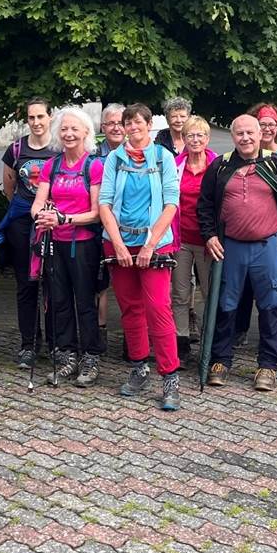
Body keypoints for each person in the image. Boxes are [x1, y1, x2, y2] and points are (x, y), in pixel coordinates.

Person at [197, 115, 277, 391]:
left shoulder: (276, 163)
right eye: (239, 133)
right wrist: (209, 235)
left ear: (260, 134)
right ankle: (220, 360)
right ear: (233, 136)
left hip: (266, 246)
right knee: (226, 304)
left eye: (250, 133)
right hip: (230, 246)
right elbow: (205, 204)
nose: (245, 138)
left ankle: (268, 365)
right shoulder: (220, 166)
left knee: (271, 305)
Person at [99, 103, 182, 410]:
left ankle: (170, 377)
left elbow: (171, 203)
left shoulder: (164, 158)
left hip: (155, 244)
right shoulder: (114, 158)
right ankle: (138, 368)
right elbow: (104, 202)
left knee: (158, 307)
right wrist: (118, 244)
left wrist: (150, 245)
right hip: (119, 242)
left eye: (137, 122)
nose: (132, 128)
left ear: (148, 124)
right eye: (127, 123)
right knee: (130, 309)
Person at [31, 106, 104, 388]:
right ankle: (66, 358)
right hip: (54, 244)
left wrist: (65, 218)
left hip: (82, 245)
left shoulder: (93, 165)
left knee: (85, 302)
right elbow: (38, 202)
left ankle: (90, 357)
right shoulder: (52, 165)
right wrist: (41, 216)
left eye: (75, 129)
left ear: (86, 132)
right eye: (64, 129)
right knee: (59, 302)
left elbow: (97, 212)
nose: (69, 133)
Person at [0, 98, 54, 368]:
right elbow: (9, 185)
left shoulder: (59, 148)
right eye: (32, 118)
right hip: (22, 222)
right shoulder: (16, 149)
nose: (37, 122)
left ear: (50, 117)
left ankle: (57, 342)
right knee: (26, 284)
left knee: (55, 284)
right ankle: (29, 343)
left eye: (41, 116)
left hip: (54, 224)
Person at [232, 101, 277, 347]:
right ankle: (239, 330)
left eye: (271, 124)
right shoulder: (237, 157)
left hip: (273, 236)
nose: (267, 129)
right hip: (242, 237)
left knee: (272, 287)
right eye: (263, 124)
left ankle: (273, 339)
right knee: (242, 287)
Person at [171, 116, 218, 359]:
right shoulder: (176, 165)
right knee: (179, 293)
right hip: (182, 239)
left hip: (209, 240)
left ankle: (211, 342)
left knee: (210, 292)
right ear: (184, 139)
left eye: (200, 135)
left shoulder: (217, 167)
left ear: (207, 139)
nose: (195, 139)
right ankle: (181, 341)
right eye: (191, 135)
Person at [95, 104, 126, 352]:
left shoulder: (137, 152)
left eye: (120, 122)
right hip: (98, 226)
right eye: (110, 123)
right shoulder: (93, 153)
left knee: (130, 285)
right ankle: (100, 333)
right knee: (100, 283)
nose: (116, 127)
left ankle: (131, 337)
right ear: (103, 127)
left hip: (128, 227)